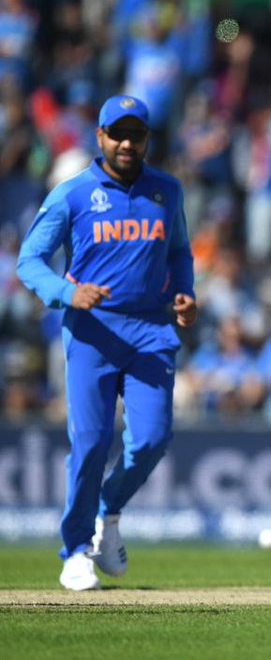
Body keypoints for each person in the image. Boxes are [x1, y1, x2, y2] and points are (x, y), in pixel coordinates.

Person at [17, 95, 197, 590]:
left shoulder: (167, 191)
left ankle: (107, 510)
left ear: (146, 140)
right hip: (92, 331)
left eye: (135, 134)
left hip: (150, 331)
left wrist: (185, 294)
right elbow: (29, 261)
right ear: (98, 137)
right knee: (91, 442)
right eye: (116, 134)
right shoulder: (73, 194)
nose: (125, 143)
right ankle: (75, 549)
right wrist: (67, 293)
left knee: (153, 440)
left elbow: (180, 252)